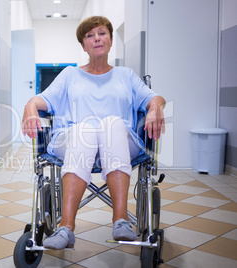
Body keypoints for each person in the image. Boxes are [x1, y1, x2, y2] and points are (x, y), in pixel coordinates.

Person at [22, 16, 165, 250]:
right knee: (85, 129)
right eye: (90, 35)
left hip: (118, 142)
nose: (97, 38)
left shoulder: (126, 75)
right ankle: (66, 227)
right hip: (74, 142)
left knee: (111, 124)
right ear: (83, 45)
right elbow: (42, 100)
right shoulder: (69, 75)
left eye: (102, 33)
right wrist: (30, 107)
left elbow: (154, 97)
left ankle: (121, 220)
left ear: (110, 40)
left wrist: (155, 108)